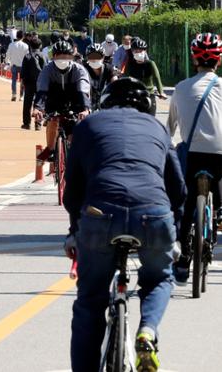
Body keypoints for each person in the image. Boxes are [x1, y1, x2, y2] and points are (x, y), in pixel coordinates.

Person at [64, 77, 186, 372]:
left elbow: (72, 190)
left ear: (104, 102)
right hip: (154, 213)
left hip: (99, 214)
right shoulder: (157, 128)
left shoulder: (88, 126)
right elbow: (178, 189)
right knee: (158, 279)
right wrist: (176, 233)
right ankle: (148, 331)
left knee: (90, 302)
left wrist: (73, 231)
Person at [168, 32, 222, 285]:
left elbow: (170, 124)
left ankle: (181, 261)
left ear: (194, 59)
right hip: (221, 149)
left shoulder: (181, 87)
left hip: (191, 152)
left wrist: (167, 143)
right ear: (220, 60)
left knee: (188, 200)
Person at [33, 40, 91, 162]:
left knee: (75, 128)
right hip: (54, 99)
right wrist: (37, 108)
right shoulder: (47, 70)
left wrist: (85, 109)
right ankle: (50, 149)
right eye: (60, 56)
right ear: (54, 56)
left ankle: (73, 153)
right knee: (52, 120)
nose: (63, 59)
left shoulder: (79, 70)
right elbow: (42, 89)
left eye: (66, 56)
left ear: (72, 57)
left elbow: (83, 90)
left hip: (75, 98)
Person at [123, 38, 167, 116]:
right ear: (132, 52)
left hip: (149, 93)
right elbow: (125, 78)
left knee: (151, 118)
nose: (138, 53)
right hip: (134, 94)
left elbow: (157, 77)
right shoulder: (130, 63)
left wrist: (161, 92)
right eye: (136, 51)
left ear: (145, 51)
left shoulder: (150, 63)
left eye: (141, 51)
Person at [20, 38, 46, 131]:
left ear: (30, 46)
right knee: (39, 103)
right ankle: (38, 123)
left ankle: (26, 123)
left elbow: (23, 71)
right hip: (41, 83)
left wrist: (22, 82)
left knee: (27, 103)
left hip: (29, 83)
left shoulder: (27, 56)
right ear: (40, 46)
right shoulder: (43, 56)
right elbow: (46, 70)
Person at [83, 43, 117, 110]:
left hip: (105, 102)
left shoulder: (109, 68)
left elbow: (116, 83)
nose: (95, 59)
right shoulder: (83, 69)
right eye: (92, 57)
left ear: (103, 57)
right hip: (87, 103)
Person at [5, 30, 29, 102]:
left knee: (14, 80)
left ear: (16, 36)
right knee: (22, 81)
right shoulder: (25, 45)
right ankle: (21, 96)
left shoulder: (11, 45)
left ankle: (14, 94)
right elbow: (27, 57)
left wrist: (7, 62)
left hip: (14, 65)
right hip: (23, 66)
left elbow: (8, 55)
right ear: (23, 36)